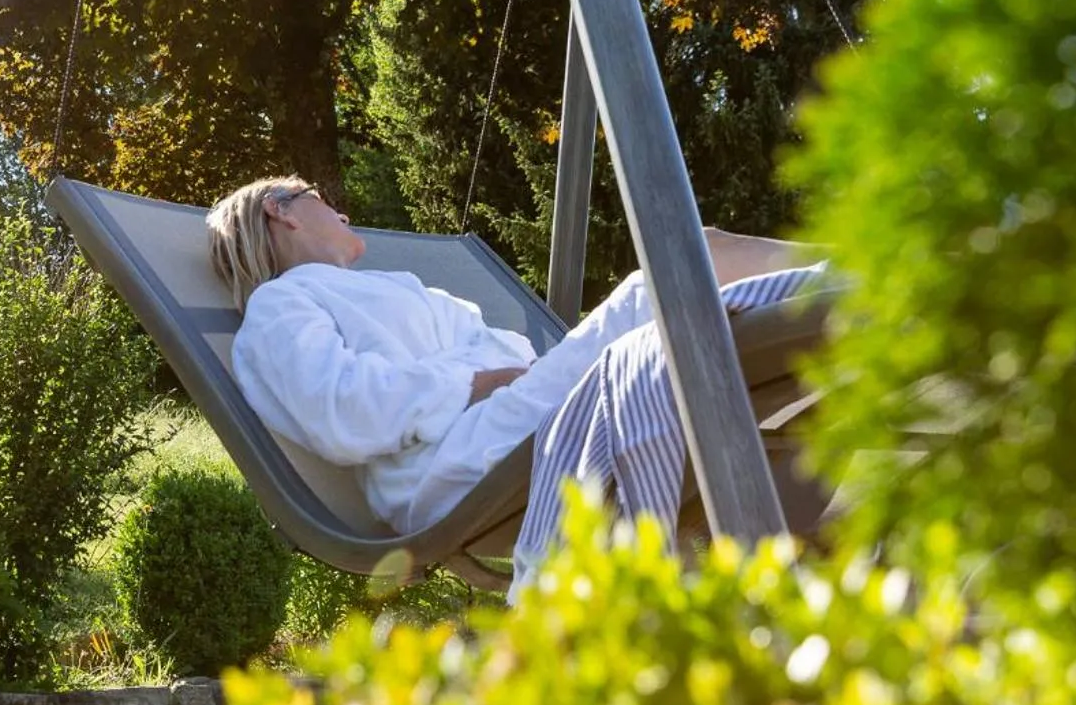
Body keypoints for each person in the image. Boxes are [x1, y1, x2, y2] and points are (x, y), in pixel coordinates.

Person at [205, 175, 826, 602]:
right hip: (457, 461)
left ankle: (849, 279)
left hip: (503, 423)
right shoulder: (279, 307)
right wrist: (474, 381)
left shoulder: (379, 287)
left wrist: (498, 377)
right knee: (672, 275)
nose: (339, 210)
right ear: (281, 210)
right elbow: (342, 410)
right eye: (318, 197)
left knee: (685, 276)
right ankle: (859, 273)